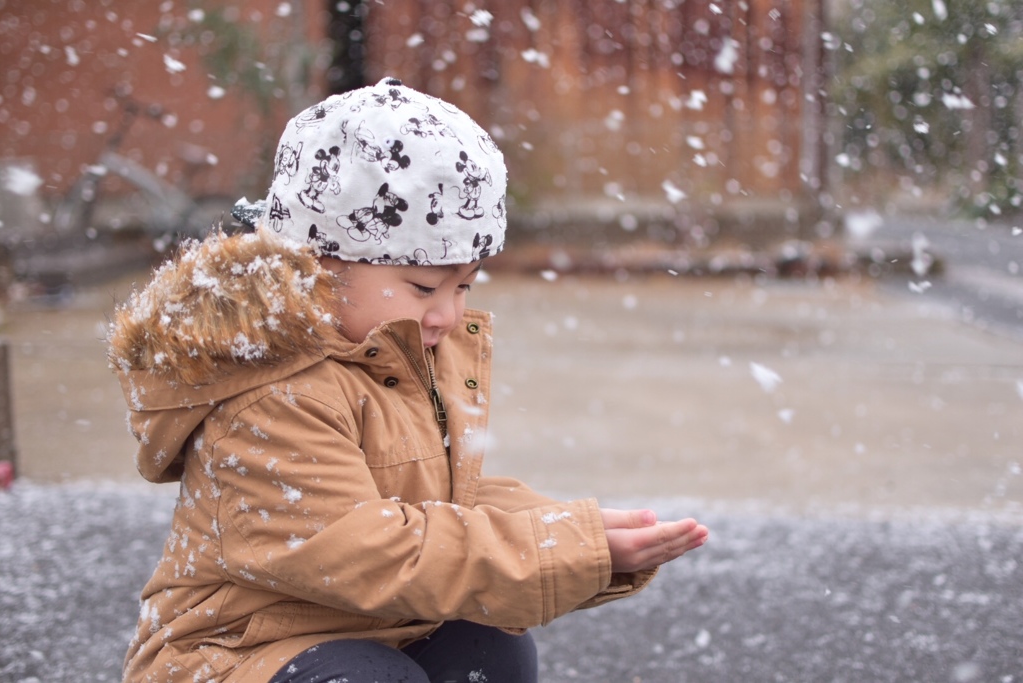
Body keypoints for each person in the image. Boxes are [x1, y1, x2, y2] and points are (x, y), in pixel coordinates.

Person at [108, 77, 709, 683]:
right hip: (236, 653)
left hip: (370, 626)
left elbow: (441, 502)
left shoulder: (399, 349)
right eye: (425, 287)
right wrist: (553, 552)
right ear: (320, 263)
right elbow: (367, 550)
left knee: (487, 647)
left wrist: (569, 532)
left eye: (464, 285)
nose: (448, 314)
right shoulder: (269, 392)